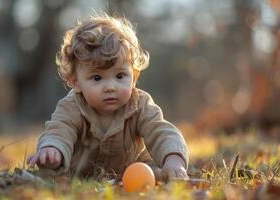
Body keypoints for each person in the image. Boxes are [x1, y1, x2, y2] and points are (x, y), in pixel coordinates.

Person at [27, 14, 189, 181]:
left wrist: (173, 159)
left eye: (120, 76)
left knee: (154, 170)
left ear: (133, 77)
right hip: (80, 174)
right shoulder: (71, 107)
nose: (111, 87)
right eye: (97, 78)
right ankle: (54, 165)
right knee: (54, 172)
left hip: (131, 171)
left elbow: (160, 131)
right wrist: (53, 149)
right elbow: (59, 130)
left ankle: (163, 173)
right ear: (75, 82)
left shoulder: (140, 105)